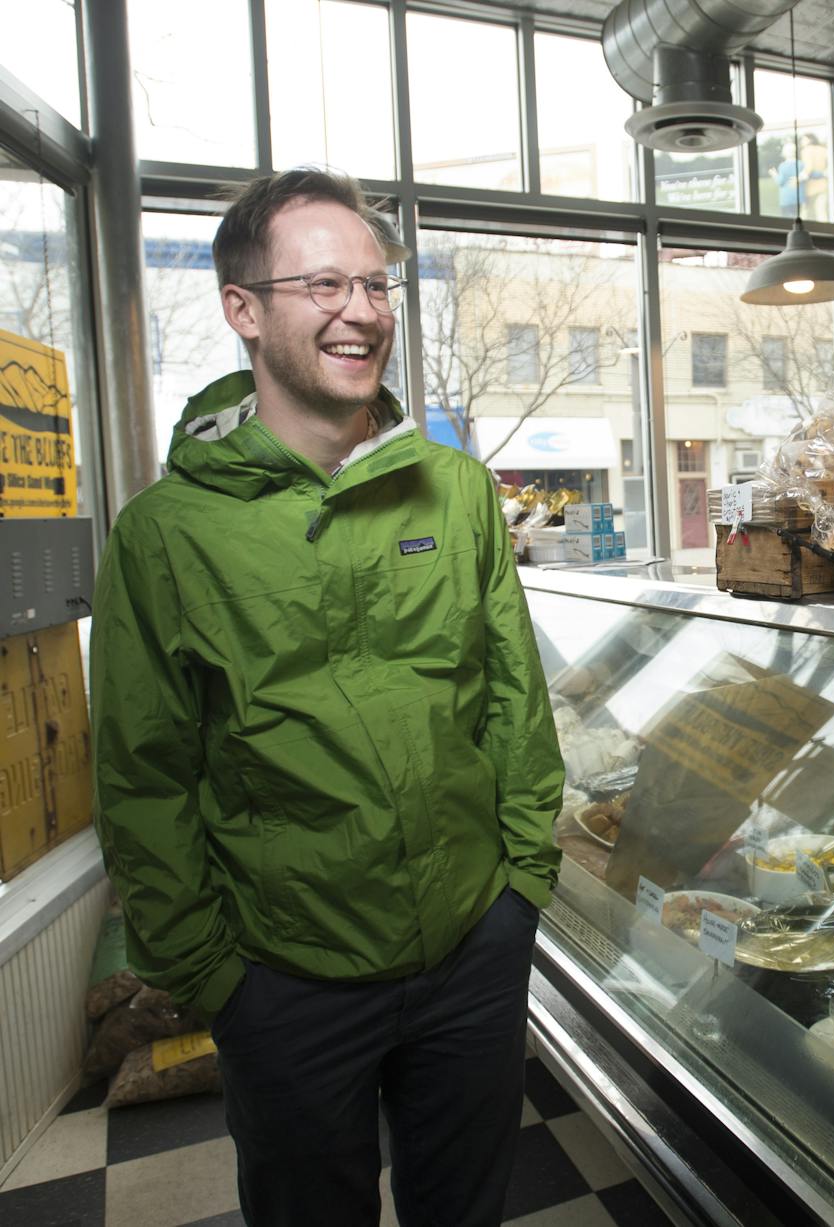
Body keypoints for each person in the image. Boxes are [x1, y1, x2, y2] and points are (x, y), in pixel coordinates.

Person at [89, 167, 565, 1227]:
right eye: (323, 285)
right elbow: (143, 777)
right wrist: (213, 976)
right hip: (282, 976)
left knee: (466, 1209)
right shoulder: (166, 535)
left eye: (377, 284)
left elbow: (511, 703)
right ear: (244, 311)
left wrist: (519, 887)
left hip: (469, 950)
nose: (362, 311)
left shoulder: (451, 489)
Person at [769, 139, 804, 216]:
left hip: (786, 199)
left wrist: (774, 175)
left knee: (786, 222)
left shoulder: (783, 166)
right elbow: (810, 174)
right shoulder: (801, 164)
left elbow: (780, 182)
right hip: (799, 198)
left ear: (784, 152)